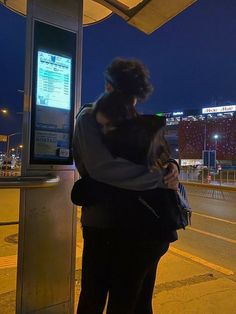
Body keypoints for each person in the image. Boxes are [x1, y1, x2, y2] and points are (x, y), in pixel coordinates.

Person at [73, 58, 179, 314]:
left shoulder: (135, 122)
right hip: (103, 224)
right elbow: (103, 169)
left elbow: (160, 155)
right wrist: (162, 180)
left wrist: (174, 166)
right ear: (109, 87)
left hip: (142, 225)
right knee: (95, 296)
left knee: (137, 298)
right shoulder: (89, 117)